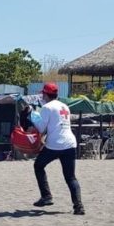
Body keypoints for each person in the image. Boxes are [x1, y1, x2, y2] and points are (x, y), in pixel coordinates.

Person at [30, 82, 85, 215]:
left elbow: (41, 128)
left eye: (43, 93)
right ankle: (79, 206)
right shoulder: (65, 106)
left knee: (38, 166)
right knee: (70, 177)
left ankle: (46, 196)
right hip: (70, 143)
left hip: (55, 144)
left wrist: (32, 116)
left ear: (45, 94)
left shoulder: (47, 107)